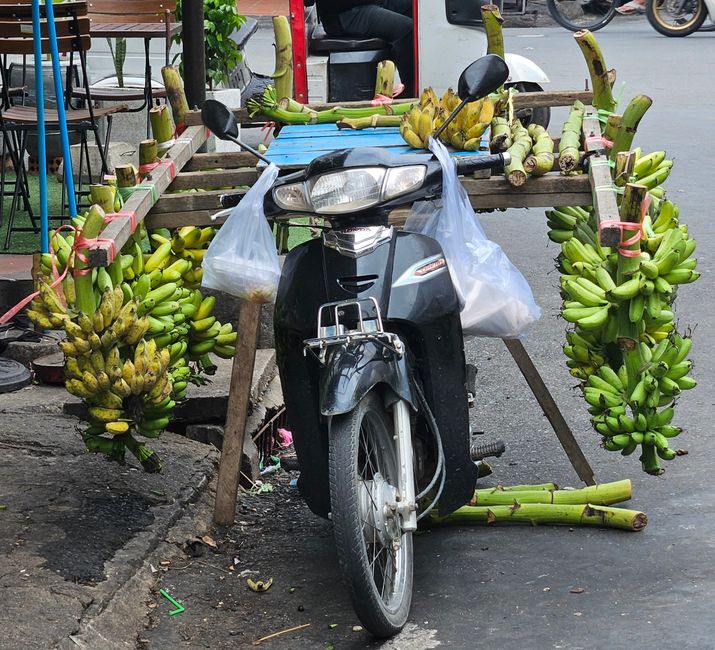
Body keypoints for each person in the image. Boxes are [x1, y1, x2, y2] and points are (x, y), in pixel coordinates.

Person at [315, 0, 415, 97]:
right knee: (407, 30)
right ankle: (411, 94)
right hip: (344, 13)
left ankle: (420, 82)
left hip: (369, 3)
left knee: (415, 6)